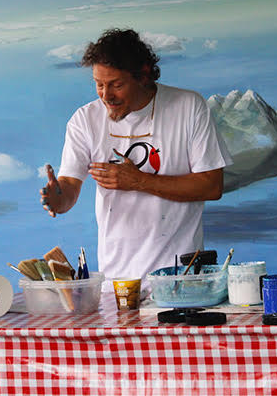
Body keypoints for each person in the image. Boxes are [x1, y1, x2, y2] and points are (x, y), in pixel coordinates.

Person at [40, 28, 232, 284]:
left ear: (143, 76)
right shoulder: (85, 120)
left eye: (116, 85)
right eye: (99, 84)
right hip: (117, 281)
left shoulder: (188, 106)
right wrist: (56, 199)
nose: (106, 96)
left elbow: (212, 185)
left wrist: (139, 181)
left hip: (182, 278)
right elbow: (69, 190)